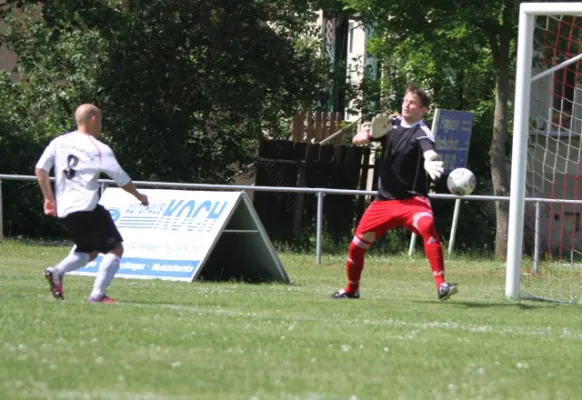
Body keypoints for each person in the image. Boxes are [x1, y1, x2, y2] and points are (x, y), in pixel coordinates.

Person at [332, 83, 458, 300]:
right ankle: (351, 290)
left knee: (427, 225)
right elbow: (356, 140)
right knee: (356, 247)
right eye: (405, 101)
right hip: (384, 202)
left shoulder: (422, 131)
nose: (407, 105)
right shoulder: (390, 124)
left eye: (413, 103)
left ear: (423, 109)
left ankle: (441, 285)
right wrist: (371, 134)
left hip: (412, 200)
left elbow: (428, 150)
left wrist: (430, 160)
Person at [35, 104, 149, 303]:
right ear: (94, 119)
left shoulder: (59, 142)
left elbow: (40, 169)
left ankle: (57, 271)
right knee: (115, 249)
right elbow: (122, 179)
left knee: (89, 250)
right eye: (101, 121)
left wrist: (48, 198)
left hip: (65, 210)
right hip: (87, 206)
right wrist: (139, 196)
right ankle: (98, 295)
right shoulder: (98, 148)